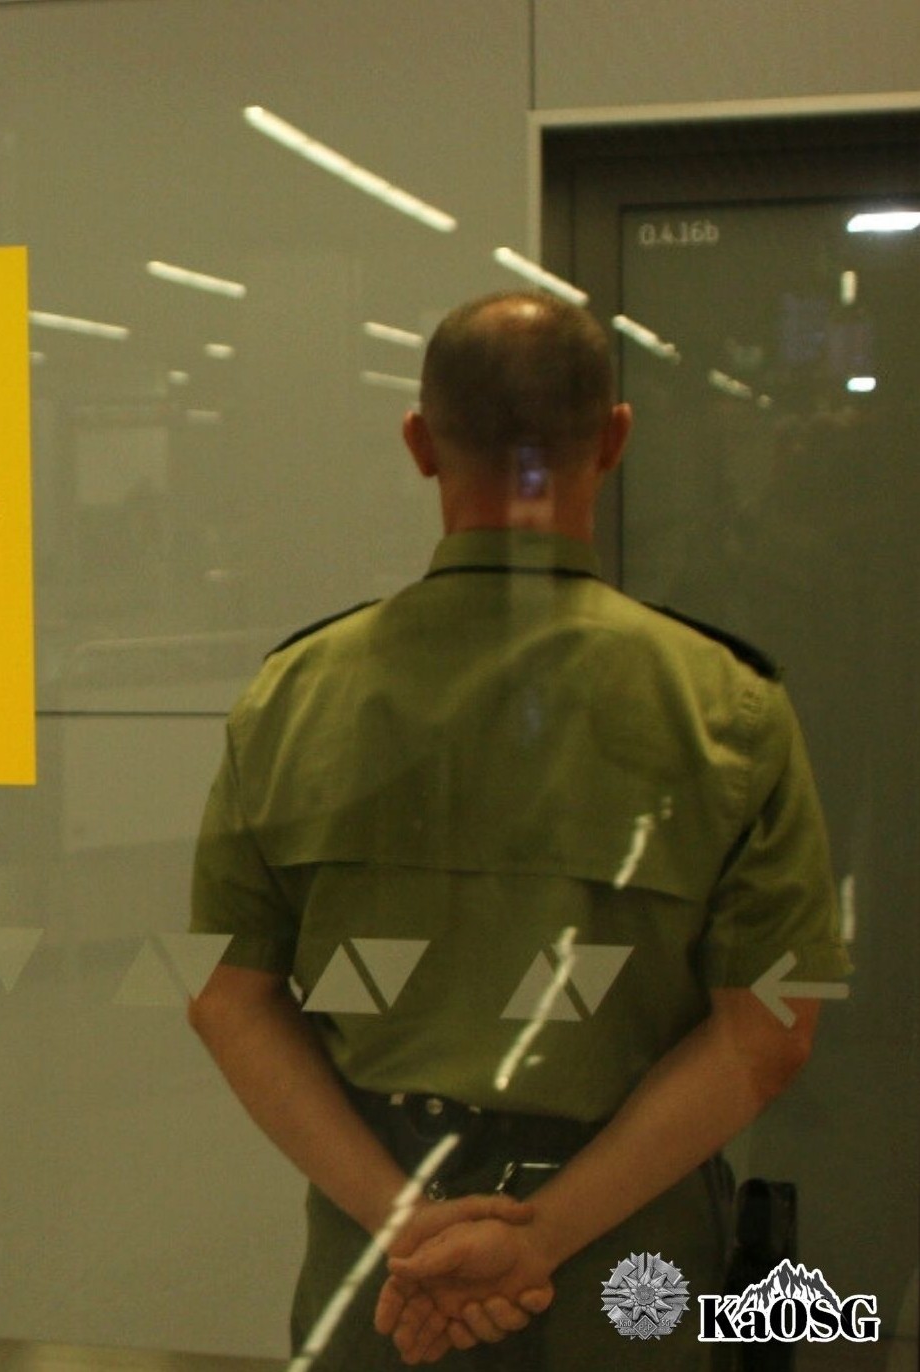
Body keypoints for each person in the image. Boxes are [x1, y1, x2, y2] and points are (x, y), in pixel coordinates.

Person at [186, 291, 848, 1368]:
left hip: (381, 1277)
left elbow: (228, 999)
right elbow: (766, 1030)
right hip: (629, 1270)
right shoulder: (724, 706)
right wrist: (538, 1236)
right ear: (615, 440)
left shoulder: (292, 696)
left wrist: (404, 1225)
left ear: (418, 444)